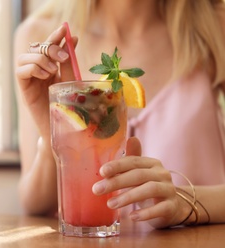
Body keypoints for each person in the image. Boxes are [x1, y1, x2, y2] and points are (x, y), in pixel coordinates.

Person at [14, 0, 225, 229]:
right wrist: (52, 132)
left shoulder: (214, 25)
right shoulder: (39, 34)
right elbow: (34, 205)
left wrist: (185, 203)